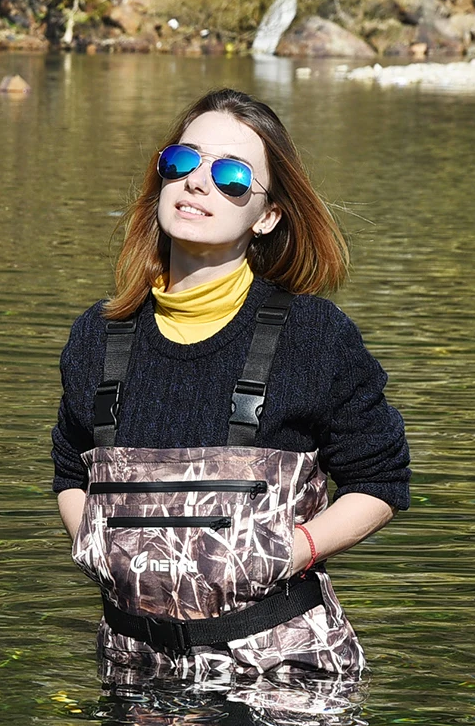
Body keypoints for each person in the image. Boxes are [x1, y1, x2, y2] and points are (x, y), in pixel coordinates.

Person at [52, 87, 409, 684]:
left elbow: (381, 480)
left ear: (267, 215)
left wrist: (293, 550)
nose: (197, 182)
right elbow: (70, 471)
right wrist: (97, 547)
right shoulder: (97, 335)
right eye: (182, 161)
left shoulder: (315, 336)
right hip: (132, 669)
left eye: (232, 176)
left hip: (283, 676)